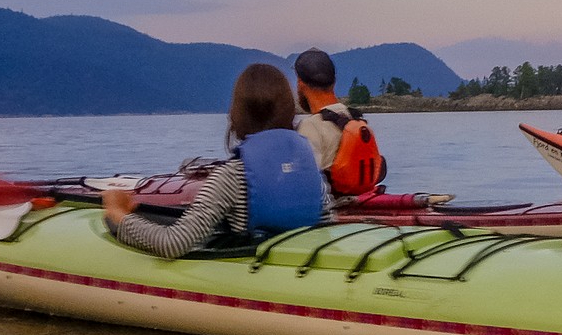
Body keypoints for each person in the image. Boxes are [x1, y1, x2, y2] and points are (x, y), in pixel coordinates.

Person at [103, 63, 330, 257]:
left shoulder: (231, 176)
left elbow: (174, 243)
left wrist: (119, 215)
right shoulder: (309, 167)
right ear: (290, 111)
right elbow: (325, 224)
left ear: (236, 114)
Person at [291, 48, 387, 198]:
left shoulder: (310, 127)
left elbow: (304, 185)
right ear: (334, 82)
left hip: (334, 209)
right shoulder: (356, 120)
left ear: (300, 83)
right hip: (362, 201)